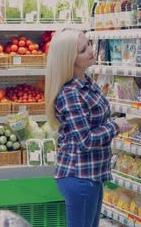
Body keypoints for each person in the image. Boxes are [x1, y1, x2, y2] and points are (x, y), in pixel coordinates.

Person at [45, 29, 121, 227]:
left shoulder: (87, 82)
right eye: (82, 50)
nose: (90, 50)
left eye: (88, 44)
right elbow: (85, 140)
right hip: (79, 176)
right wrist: (117, 126)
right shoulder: (70, 93)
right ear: (69, 59)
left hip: (92, 174)